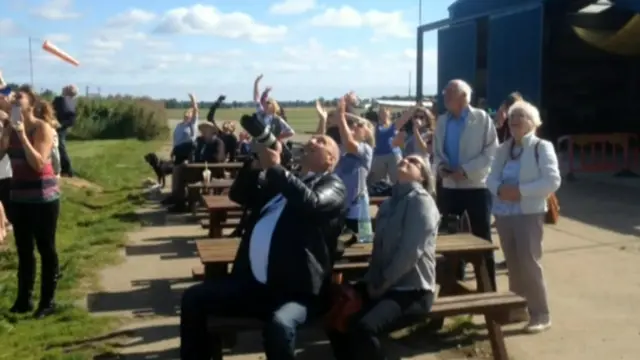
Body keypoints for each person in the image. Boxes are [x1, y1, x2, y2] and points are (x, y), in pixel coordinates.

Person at [179, 134, 346, 360]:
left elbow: (312, 203)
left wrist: (276, 168)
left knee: (279, 326)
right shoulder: (284, 182)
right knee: (193, 298)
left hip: (297, 292)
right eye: (311, 140)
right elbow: (239, 195)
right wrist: (256, 163)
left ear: (330, 159)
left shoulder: (333, 184)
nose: (312, 142)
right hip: (255, 286)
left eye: (321, 142)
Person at [327, 154, 440, 360]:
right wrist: (370, 281)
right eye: (404, 159)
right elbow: (378, 250)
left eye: (414, 162)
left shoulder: (422, 202)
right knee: (335, 317)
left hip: (412, 290)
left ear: (423, 177)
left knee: (364, 328)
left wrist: (382, 284)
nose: (405, 161)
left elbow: (410, 252)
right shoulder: (388, 204)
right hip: (382, 284)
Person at [486, 100, 560, 333]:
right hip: (503, 212)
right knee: (514, 264)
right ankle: (517, 308)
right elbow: (490, 177)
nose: (515, 120)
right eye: (512, 116)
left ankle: (540, 313)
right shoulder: (503, 149)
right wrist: (499, 190)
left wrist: (520, 191)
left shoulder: (541, 147)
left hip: (529, 212)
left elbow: (552, 181)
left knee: (529, 263)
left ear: (533, 122)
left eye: (521, 116)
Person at [0, 85, 60, 318]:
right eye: (12, 97)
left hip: (43, 198)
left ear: (31, 105)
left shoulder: (40, 128)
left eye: (19, 97)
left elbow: (38, 163)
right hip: (19, 197)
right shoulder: (10, 128)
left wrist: (23, 135)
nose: (13, 99)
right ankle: (24, 299)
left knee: (46, 248)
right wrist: (7, 130)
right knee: (24, 250)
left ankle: (47, 301)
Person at [433, 79, 498, 289]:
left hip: (476, 187)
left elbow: (491, 151)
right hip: (450, 187)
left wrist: (466, 170)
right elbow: (436, 152)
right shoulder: (442, 121)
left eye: (449, 92)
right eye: (445, 92)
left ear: (463, 96)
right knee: (451, 237)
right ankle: (452, 285)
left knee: (482, 237)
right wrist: (441, 168)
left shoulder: (481, 118)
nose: (444, 96)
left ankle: (488, 290)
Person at [317, 96, 374, 239]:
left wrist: (341, 115)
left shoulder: (366, 149)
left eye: (360, 126)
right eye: (353, 124)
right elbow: (317, 146)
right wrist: (324, 120)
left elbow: (349, 142)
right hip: (337, 204)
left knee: (362, 242)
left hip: (358, 207)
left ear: (368, 134)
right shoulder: (339, 147)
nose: (354, 126)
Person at [165, 93, 198, 210]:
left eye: (189, 113)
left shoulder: (192, 125)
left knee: (182, 176)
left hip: (187, 154)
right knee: (175, 176)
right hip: (177, 153)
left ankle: (181, 201)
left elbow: (195, 109)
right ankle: (174, 197)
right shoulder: (179, 125)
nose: (187, 115)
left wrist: (193, 99)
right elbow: (176, 140)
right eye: (185, 113)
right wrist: (173, 152)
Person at [252, 74, 294, 142]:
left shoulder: (277, 119)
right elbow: (256, 98)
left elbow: (291, 132)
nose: (263, 103)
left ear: (272, 106)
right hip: (258, 145)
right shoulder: (261, 113)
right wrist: (256, 83)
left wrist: (276, 138)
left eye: (267, 102)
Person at [367, 107, 401, 186]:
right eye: (381, 112)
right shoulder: (375, 126)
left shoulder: (394, 125)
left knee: (397, 179)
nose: (383, 114)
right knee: (377, 181)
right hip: (379, 155)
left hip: (393, 154)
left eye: (385, 112)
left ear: (389, 114)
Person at [52, 84, 77, 177]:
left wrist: (59, 124)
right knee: (60, 147)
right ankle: (64, 169)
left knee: (60, 148)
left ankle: (67, 169)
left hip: (58, 127)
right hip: (60, 127)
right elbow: (71, 119)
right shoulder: (71, 102)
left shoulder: (60, 100)